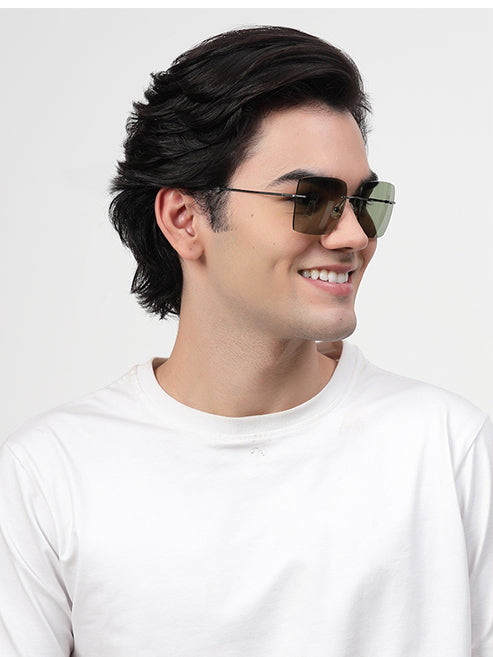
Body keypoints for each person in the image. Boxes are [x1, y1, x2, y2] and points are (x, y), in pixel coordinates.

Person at [0, 25, 491, 657]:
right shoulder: (50, 477)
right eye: (310, 199)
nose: (354, 235)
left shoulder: (449, 451)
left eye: (366, 201)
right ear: (185, 219)